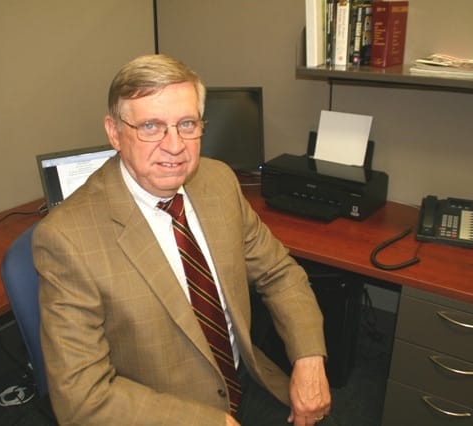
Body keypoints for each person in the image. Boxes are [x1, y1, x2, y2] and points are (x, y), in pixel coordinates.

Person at [32, 53, 331, 426]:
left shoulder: (218, 181)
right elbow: (83, 399)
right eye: (152, 126)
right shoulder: (66, 239)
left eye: (187, 124)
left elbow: (279, 274)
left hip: (247, 380)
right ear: (114, 132)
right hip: (161, 412)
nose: (175, 146)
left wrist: (308, 358)